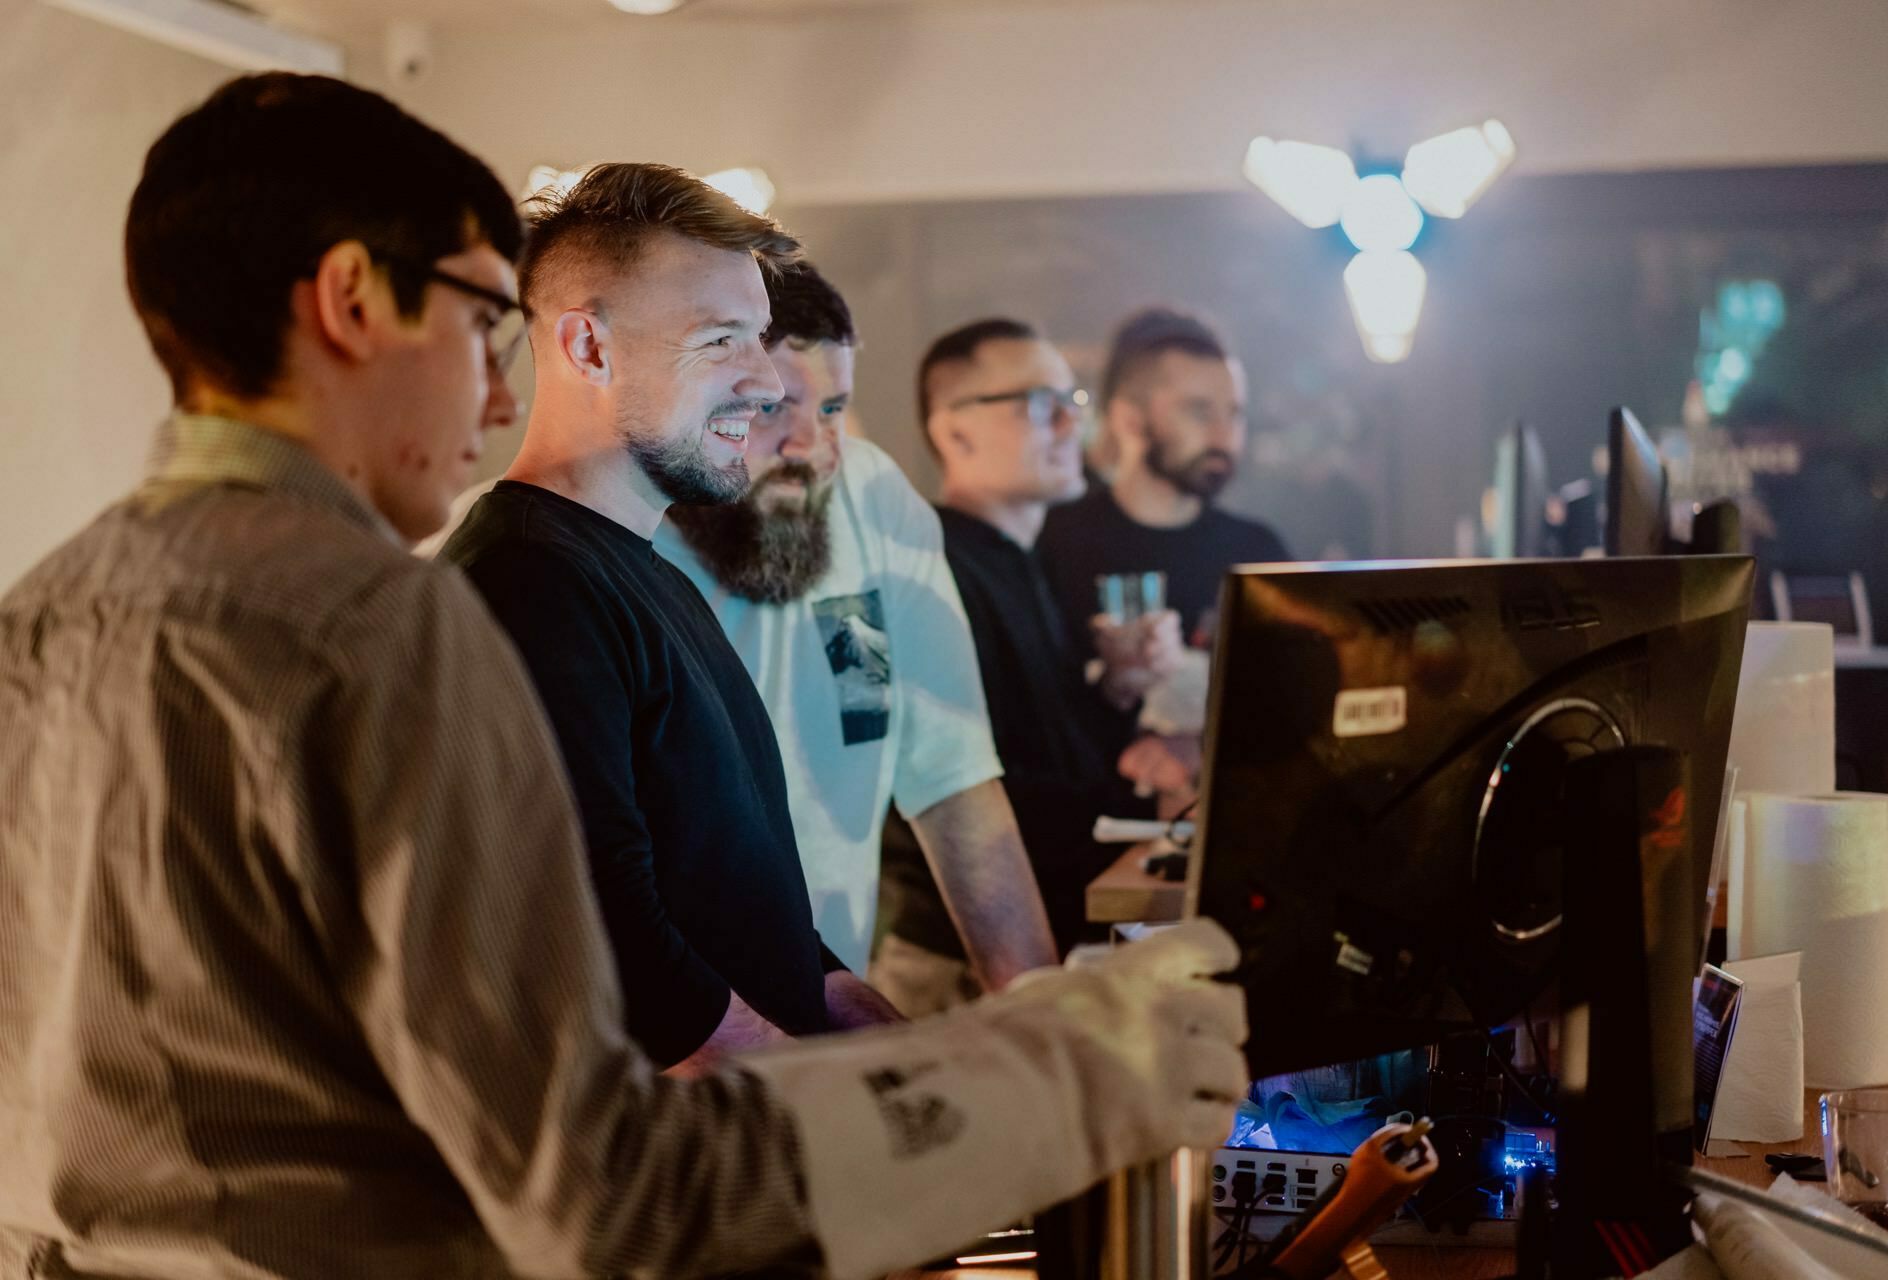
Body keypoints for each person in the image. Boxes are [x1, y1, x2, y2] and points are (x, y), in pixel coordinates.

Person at [0, 73, 1249, 1279]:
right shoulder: (388, 625)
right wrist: (1048, 1087)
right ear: (350, 300)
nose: (498, 383)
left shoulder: (35, 615)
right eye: (483, 316)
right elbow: (596, 1181)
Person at [441, 165, 908, 1071]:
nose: (769, 384)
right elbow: (605, 936)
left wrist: (847, 1006)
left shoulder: (647, 574)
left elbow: (724, 889)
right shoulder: (525, 581)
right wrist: (819, 1107)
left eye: (761, 339)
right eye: (723, 340)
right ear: (587, 348)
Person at [654, 264, 1057, 993]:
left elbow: (954, 784)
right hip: (668, 1042)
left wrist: (1044, 1018)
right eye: (772, 408)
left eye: (834, 407)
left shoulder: (870, 501)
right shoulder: (606, 541)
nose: (813, 448)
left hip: (829, 1014)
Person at [877, 318, 1159, 1012]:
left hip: (1032, 940)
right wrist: (1157, 811)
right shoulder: (931, 563)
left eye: (1073, 400)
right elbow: (973, 782)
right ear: (954, 431)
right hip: (960, 960)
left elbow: (1050, 749)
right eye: (1039, 403)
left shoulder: (1025, 560)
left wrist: (1117, 695)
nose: (1069, 424)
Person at [1037, 306, 1290, 655]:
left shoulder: (1258, 555)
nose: (1224, 436)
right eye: (1198, 411)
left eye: (1234, 413)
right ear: (1128, 419)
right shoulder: (1052, 544)